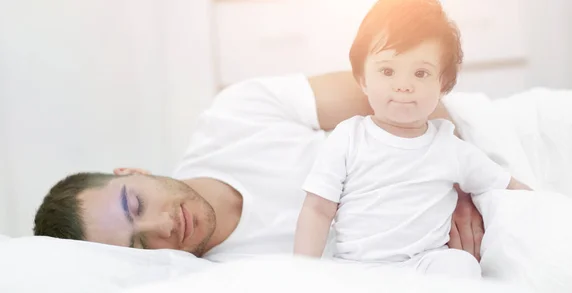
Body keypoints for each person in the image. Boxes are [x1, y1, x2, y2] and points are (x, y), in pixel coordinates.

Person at [33, 13, 491, 263]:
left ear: (131, 171)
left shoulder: (235, 116)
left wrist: (454, 182)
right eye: (138, 245)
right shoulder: (226, 276)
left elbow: (399, 89)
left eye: (135, 205)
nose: (162, 228)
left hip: (476, 150)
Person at [293, 0, 531, 278]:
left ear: (443, 85)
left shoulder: (450, 147)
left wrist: (549, 207)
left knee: (461, 265)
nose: (403, 85)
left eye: (421, 73)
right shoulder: (348, 137)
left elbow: (508, 185)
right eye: (387, 71)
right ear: (362, 79)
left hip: (424, 263)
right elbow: (318, 210)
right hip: (356, 268)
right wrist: (301, 272)